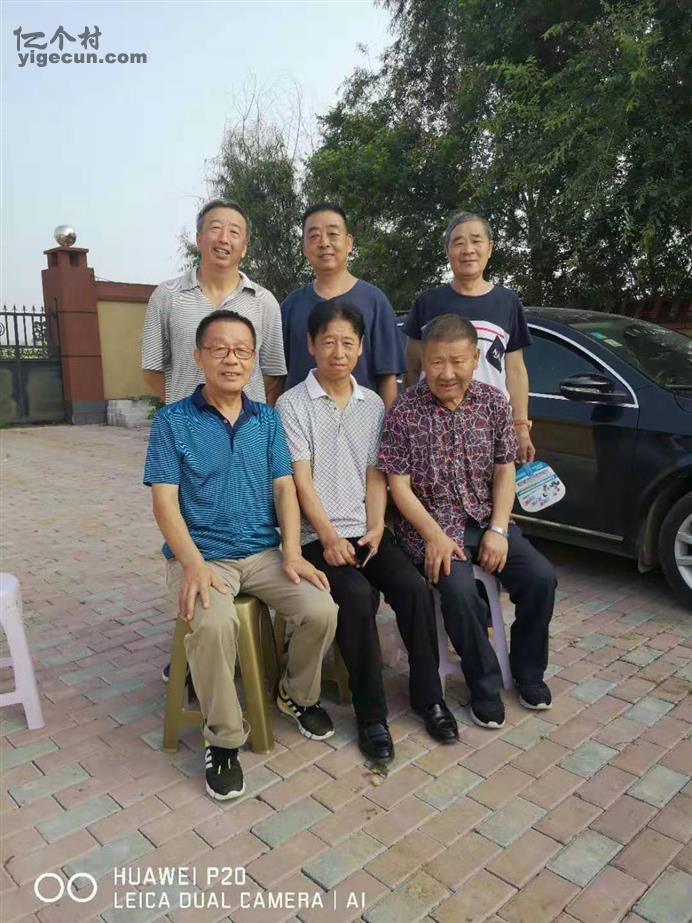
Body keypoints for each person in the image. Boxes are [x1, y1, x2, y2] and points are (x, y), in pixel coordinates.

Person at [144, 309, 337, 800]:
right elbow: (164, 502)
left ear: (253, 359)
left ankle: (295, 694)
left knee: (321, 609)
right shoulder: (171, 421)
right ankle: (224, 739)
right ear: (199, 357)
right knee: (213, 626)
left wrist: (292, 551)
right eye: (219, 349)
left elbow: (284, 487)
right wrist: (192, 563)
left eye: (242, 351)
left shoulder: (267, 420)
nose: (231, 359)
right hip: (203, 557)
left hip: (262, 553)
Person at [276, 300, 458, 760]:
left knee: (414, 590)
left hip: (366, 530)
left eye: (348, 343)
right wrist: (328, 536)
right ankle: (371, 716)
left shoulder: (373, 404)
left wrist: (377, 527)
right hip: (317, 538)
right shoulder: (292, 404)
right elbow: (300, 481)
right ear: (311, 345)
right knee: (356, 596)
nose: (338, 353)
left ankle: (429, 698)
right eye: (328, 342)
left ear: (360, 348)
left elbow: (377, 473)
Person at [380, 314, 556, 729]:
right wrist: (434, 536)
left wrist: (498, 529)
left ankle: (529, 671)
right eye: (436, 362)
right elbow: (398, 487)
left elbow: (504, 470)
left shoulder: (494, 403)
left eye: (457, 361)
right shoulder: (404, 411)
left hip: (485, 518)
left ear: (475, 358)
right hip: (431, 526)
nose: (446, 373)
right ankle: (484, 685)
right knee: (460, 592)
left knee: (540, 578)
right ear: (423, 361)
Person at [403, 211, 536, 463]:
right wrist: (411, 419)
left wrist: (520, 425)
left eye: (476, 241)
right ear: (447, 251)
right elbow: (412, 368)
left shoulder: (507, 302)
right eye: (458, 242)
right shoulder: (427, 302)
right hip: (433, 428)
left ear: (490, 248)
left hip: (490, 427)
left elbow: (516, 370)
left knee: (497, 485)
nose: (468, 250)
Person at [142, 198, 286, 406]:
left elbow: (273, 373)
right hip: (186, 423)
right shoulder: (167, 296)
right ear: (199, 238)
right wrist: (187, 409)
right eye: (215, 228)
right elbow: (152, 369)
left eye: (234, 232)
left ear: (244, 248)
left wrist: (237, 407)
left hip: (245, 424)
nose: (223, 239)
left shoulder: (264, 301)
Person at [281, 203, 405, 411]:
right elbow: (277, 376)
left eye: (332, 234)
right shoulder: (290, 306)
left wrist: (389, 427)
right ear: (303, 247)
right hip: (300, 423)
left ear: (348, 243)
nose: (324, 243)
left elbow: (387, 377)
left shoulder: (375, 302)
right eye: (314, 236)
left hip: (362, 422)